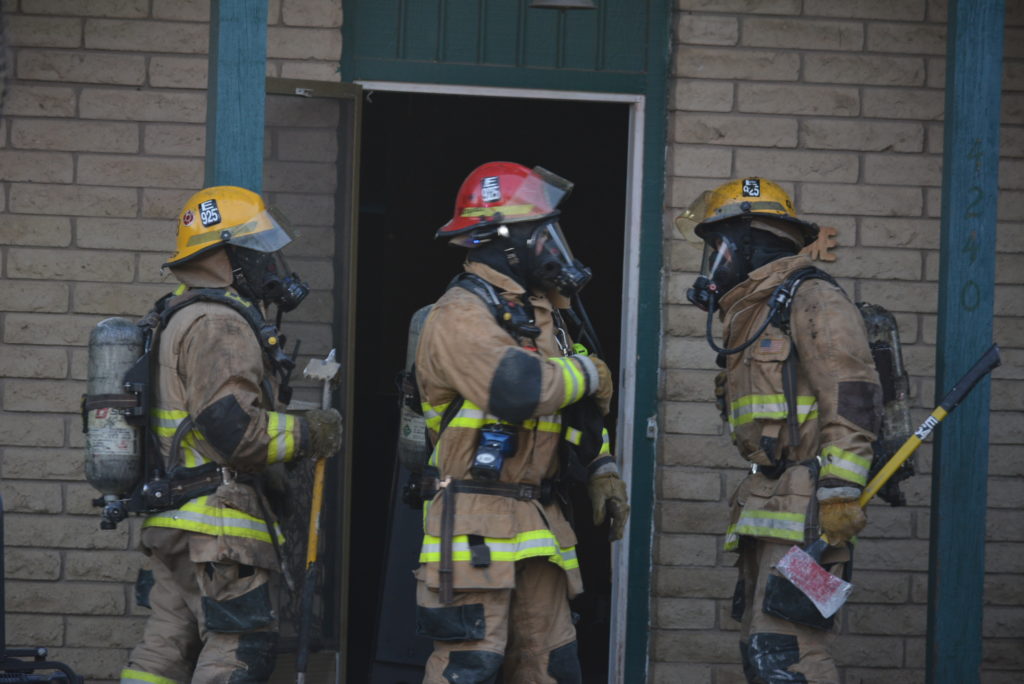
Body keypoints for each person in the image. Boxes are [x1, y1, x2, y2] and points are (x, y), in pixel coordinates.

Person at [413, 162, 630, 683]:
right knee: (470, 668)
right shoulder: (459, 314)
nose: (553, 246)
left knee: (550, 668)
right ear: (504, 240)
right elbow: (520, 390)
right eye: (541, 233)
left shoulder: (543, 316)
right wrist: (588, 372)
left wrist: (599, 465)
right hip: (474, 522)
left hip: (538, 525)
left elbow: (575, 410)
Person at [120, 186, 343, 683]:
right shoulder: (221, 324)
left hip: (175, 520)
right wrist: (309, 432)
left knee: (163, 651)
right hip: (216, 528)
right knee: (238, 649)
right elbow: (235, 433)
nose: (269, 263)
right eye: (258, 249)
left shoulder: (177, 314)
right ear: (228, 256)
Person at [677, 177, 883, 683]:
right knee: (762, 651)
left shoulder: (812, 298)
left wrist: (840, 490)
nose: (712, 262)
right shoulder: (756, 310)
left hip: (811, 510)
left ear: (746, 243)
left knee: (789, 653)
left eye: (717, 248)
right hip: (768, 505)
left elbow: (853, 395)